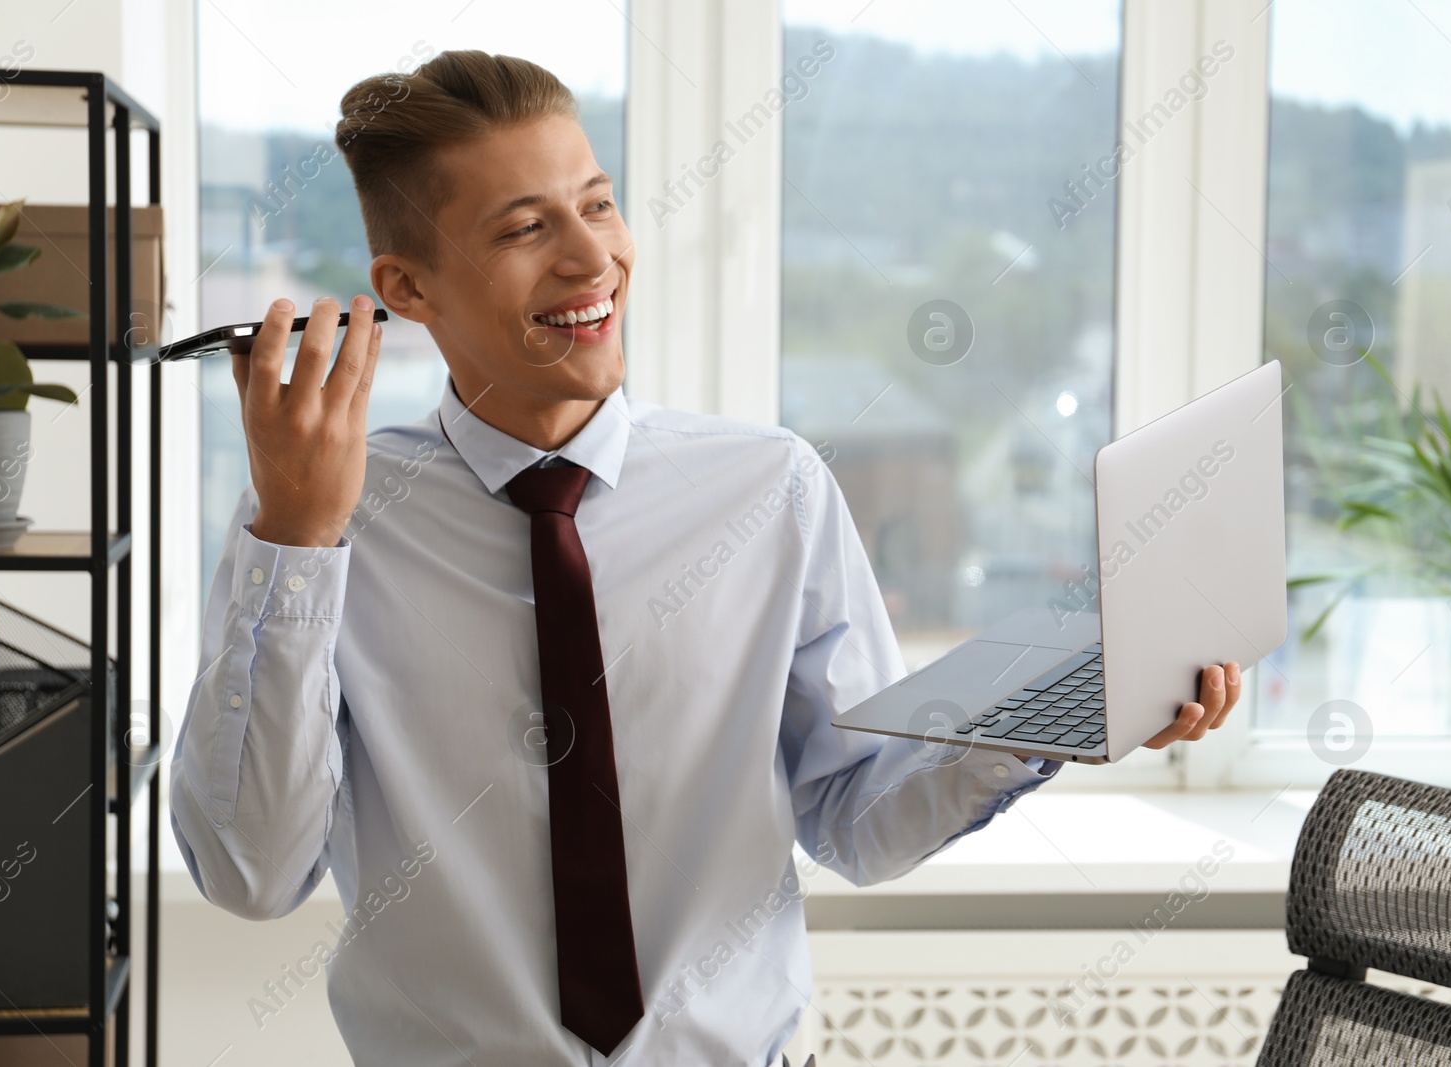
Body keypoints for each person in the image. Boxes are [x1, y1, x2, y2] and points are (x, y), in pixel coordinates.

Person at [170, 48, 1242, 1066]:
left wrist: (1060, 705)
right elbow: (253, 872)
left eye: (596, 202)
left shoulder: (769, 490)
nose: (592, 258)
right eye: (524, 228)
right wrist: (299, 538)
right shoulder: (323, 526)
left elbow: (855, 818)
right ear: (406, 290)